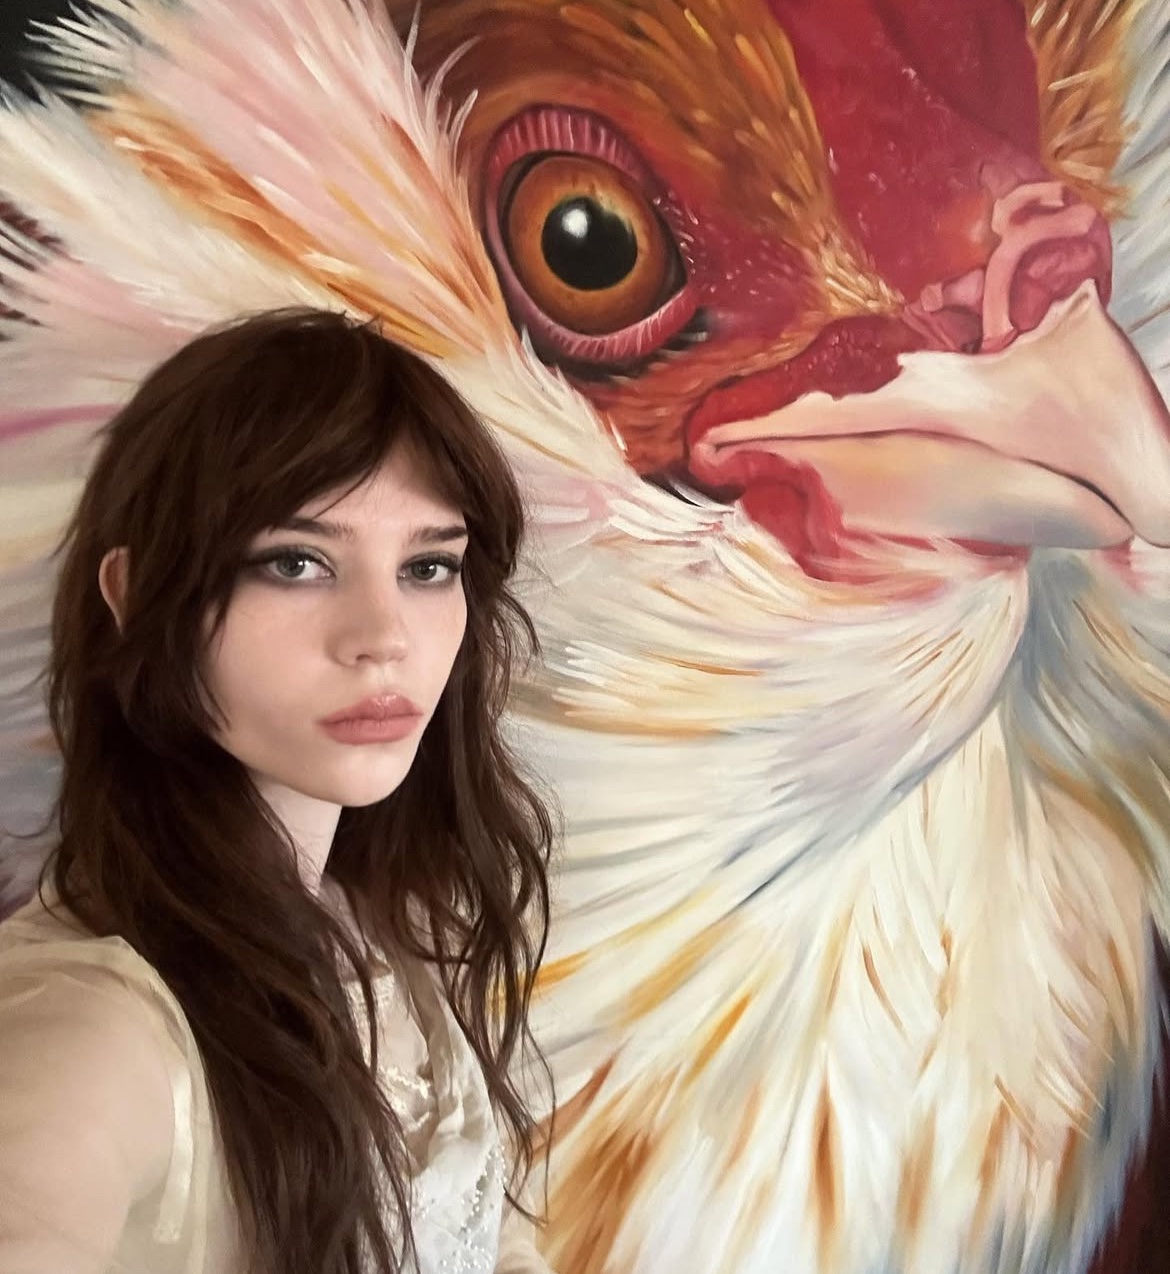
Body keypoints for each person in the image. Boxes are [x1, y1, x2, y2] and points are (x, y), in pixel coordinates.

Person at [0, 309, 557, 1274]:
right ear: (133, 594)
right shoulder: (95, 1029)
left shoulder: (387, 933)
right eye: (296, 563)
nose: (383, 636)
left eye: (428, 567)